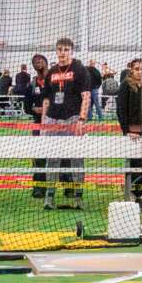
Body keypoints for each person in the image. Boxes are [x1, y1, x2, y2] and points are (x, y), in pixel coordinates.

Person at [41, 38, 91, 210]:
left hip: (73, 119)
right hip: (53, 120)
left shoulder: (79, 69)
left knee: (76, 159)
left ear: (71, 51)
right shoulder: (52, 71)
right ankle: (49, 196)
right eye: (60, 49)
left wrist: (82, 120)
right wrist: (43, 124)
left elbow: (86, 96)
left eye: (66, 49)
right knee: (52, 159)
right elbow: (46, 99)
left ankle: (78, 197)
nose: (62, 53)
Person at [116, 59, 142, 206]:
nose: (140, 72)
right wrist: (126, 130)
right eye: (137, 69)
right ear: (131, 70)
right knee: (135, 164)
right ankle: (134, 194)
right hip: (133, 134)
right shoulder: (125, 86)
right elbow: (121, 110)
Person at [24, 54, 49, 198]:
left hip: (55, 123)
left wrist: (49, 109)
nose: (38, 63)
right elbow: (27, 106)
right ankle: (39, 188)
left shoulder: (55, 80)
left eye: (40, 60)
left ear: (46, 62)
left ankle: (67, 186)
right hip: (38, 123)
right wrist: (35, 109)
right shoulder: (31, 84)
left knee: (62, 154)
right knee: (39, 156)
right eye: (35, 62)